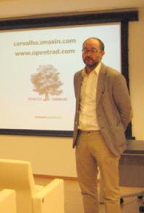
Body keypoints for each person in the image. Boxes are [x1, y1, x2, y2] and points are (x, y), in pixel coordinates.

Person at [73, 37, 132, 213]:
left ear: (102, 53)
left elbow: (126, 111)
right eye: (85, 50)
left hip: (105, 140)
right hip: (82, 138)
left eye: (92, 50)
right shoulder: (78, 77)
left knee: (110, 192)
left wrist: (114, 132)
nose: (88, 54)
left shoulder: (113, 77)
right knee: (87, 190)